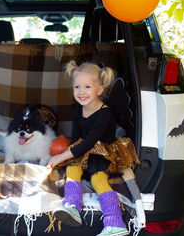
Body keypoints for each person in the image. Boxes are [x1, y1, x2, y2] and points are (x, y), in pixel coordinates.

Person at [47, 61, 129, 236]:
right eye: (77, 87)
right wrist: (67, 157)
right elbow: (77, 139)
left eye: (87, 87)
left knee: (98, 179)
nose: (81, 92)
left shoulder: (105, 113)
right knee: (72, 170)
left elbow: (91, 141)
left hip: (103, 154)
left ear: (100, 90)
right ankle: (72, 207)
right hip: (84, 151)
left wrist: (62, 156)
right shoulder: (78, 111)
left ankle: (115, 223)